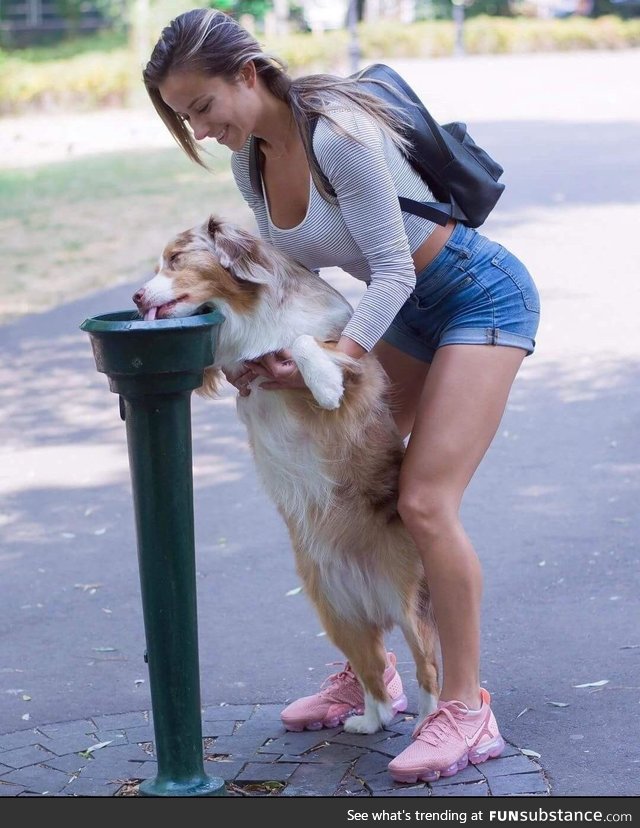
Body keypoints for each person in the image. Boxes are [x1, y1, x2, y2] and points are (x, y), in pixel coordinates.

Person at [143, 8, 540, 783]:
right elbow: (299, 281)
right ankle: (373, 669)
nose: (201, 128)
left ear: (248, 75)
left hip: (473, 297)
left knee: (422, 502)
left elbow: (392, 271)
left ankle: (465, 706)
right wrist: (259, 356)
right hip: (394, 313)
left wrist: (337, 356)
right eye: (184, 118)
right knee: (356, 487)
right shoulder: (249, 164)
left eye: (202, 107)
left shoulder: (339, 136)